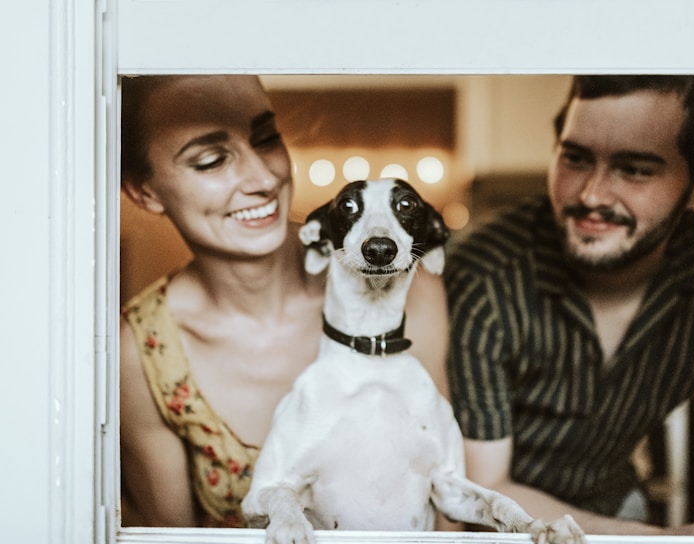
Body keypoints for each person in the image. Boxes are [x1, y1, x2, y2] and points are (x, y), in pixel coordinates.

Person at [444, 75, 694, 536]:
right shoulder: (488, 271)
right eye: (575, 158)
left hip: (616, 512)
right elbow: (485, 483)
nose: (591, 195)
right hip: (494, 525)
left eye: (635, 169)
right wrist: (666, 540)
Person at [118, 75, 450, 528]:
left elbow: (445, 500)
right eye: (212, 160)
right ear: (145, 191)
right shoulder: (141, 354)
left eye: (267, 138)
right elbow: (172, 539)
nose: (263, 178)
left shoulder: (407, 287)